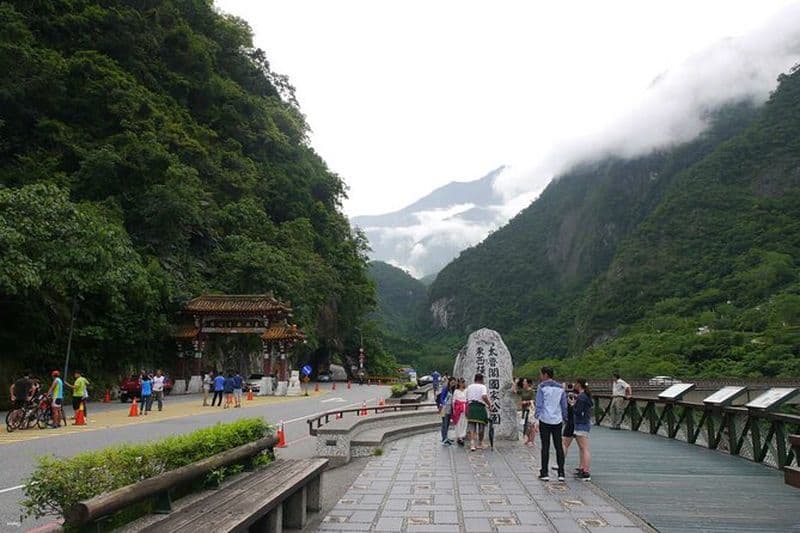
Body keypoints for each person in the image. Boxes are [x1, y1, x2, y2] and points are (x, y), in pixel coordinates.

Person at [535, 366, 567, 481]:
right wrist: (565, 418)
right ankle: (561, 473)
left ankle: (544, 472)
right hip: (557, 420)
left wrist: (536, 418)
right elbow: (564, 405)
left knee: (545, 446)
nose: (540, 376)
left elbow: (539, 404)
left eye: (541, 374)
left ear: (545, 375)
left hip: (545, 419)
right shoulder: (560, 388)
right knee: (558, 446)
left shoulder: (541, 387)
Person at [465, 373, 493, 452]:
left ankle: (472, 444)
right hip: (480, 407)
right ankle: (480, 443)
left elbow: (466, 398)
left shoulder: (469, 387)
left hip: (471, 406)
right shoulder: (482, 386)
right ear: (481, 379)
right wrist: (489, 404)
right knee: (481, 427)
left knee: (471, 427)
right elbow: (484, 396)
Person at [573, 378, 594, 480]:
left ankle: (586, 471)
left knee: (584, 448)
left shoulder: (581, 397)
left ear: (579, 384)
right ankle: (582, 468)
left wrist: (573, 406)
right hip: (584, 423)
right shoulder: (586, 396)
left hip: (581, 423)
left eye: (575, 383)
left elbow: (578, 412)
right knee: (582, 448)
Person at [515, 377, 538, 446]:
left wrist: (525, 402)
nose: (523, 383)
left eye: (524, 382)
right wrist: (515, 383)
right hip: (524, 410)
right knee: (526, 425)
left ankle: (531, 441)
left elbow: (533, 400)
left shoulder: (531, 391)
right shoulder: (522, 390)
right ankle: (528, 439)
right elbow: (514, 391)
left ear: (528, 383)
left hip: (530, 410)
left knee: (531, 425)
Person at [437, 377, 456, 445]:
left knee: (447, 423)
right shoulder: (445, 388)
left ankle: (446, 437)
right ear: (449, 382)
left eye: (454, 383)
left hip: (449, 408)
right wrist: (443, 404)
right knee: (444, 423)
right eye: (452, 382)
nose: (453, 384)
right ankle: (444, 438)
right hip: (444, 408)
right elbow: (442, 398)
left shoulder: (452, 389)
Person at [451, 378, 468, 446]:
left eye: (463, 382)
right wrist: (454, 409)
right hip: (458, 408)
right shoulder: (456, 391)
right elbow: (453, 401)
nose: (462, 384)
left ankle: (462, 435)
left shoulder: (466, 390)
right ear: (459, 383)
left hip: (465, 407)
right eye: (461, 382)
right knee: (458, 422)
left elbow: (467, 398)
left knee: (464, 422)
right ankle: (459, 436)